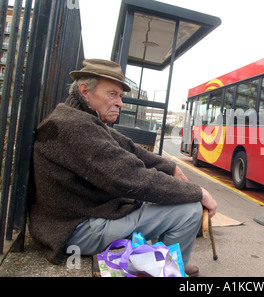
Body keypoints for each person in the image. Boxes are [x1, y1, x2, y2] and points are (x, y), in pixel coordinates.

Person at [29, 59, 217, 277]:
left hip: (82, 215)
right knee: (189, 210)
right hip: (75, 229)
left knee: (168, 194)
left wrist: (171, 167)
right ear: (85, 91)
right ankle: (168, 270)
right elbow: (129, 176)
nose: (119, 103)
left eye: (120, 96)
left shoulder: (81, 118)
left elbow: (130, 148)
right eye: (112, 94)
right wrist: (198, 192)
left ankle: (161, 263)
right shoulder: (75, 126)